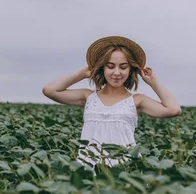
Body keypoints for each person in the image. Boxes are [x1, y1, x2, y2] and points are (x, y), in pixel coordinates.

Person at [42, 36, 182, 169]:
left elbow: (173, 110)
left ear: (130, 69)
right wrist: (83, 73)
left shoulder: (137, 100)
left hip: (124, 170)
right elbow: (50, 90)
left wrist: (153, 81)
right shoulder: (88, 97)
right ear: (102, 67)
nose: (116, 72)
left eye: (123, 67)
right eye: (110, 66)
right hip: (87, 168)